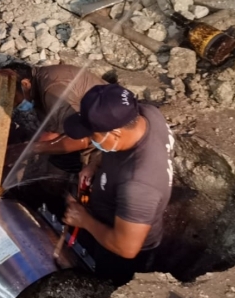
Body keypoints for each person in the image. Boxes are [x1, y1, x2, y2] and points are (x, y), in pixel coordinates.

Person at [61, 84, 174, 285]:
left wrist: (84, 219)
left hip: (121, 250)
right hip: (111, 215)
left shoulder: (139, 185)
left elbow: (126, 248)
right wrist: (95, 164)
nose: (88, 140)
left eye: (92, 136)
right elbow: (112, 148)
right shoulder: (147, 114)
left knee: (107, 284)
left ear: (115, 133)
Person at [0, 62, 107, 173]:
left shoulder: (52, 91)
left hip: (109, 140)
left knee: (58, 165)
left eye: (14, 97)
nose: (13, 104)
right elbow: (56, 129)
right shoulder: (38, 84)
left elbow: (82, 138)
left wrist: (31, 149)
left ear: (25, 84)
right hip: (91, 130)